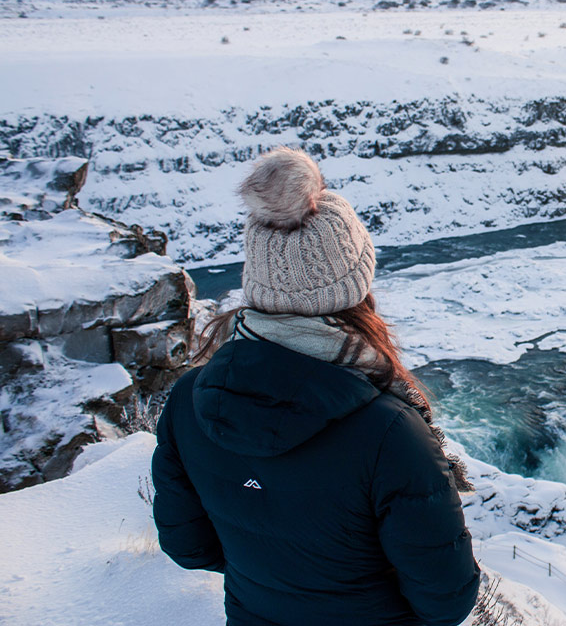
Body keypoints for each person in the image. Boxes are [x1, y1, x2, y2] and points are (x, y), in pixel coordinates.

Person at [151, 147, 480, 626]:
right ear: (356, 283)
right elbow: (447, 599)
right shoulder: (389, 432)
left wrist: (278, 577)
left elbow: (187, 545)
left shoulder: (189, 400)